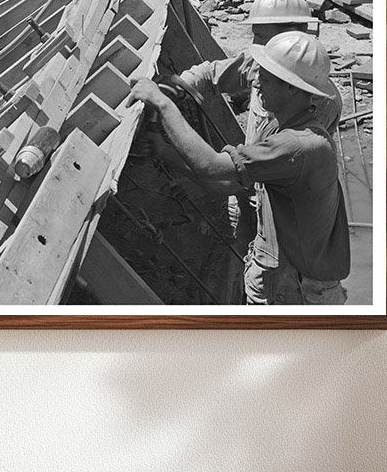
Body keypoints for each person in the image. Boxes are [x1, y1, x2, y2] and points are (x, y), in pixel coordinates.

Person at [131, 31, 350, 305]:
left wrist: (162, 104)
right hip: (279, 278)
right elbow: (228, 184)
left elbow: (210, 166)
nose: (256, 83)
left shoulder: (298, 145)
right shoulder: (281, 129)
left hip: (298, 290)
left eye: (265, 79)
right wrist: (165, 152)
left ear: (291, 88)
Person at [177, 0, 343, 303]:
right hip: (256, 192)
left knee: (277, 289)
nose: (256, 50)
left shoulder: (317, 106)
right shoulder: (265, 65)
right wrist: (180, 86)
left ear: (293, 35)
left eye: (262, 38)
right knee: (244, 263)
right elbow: (213, 73)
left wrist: (165, 111)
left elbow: (221, 168)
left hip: (285, 219)